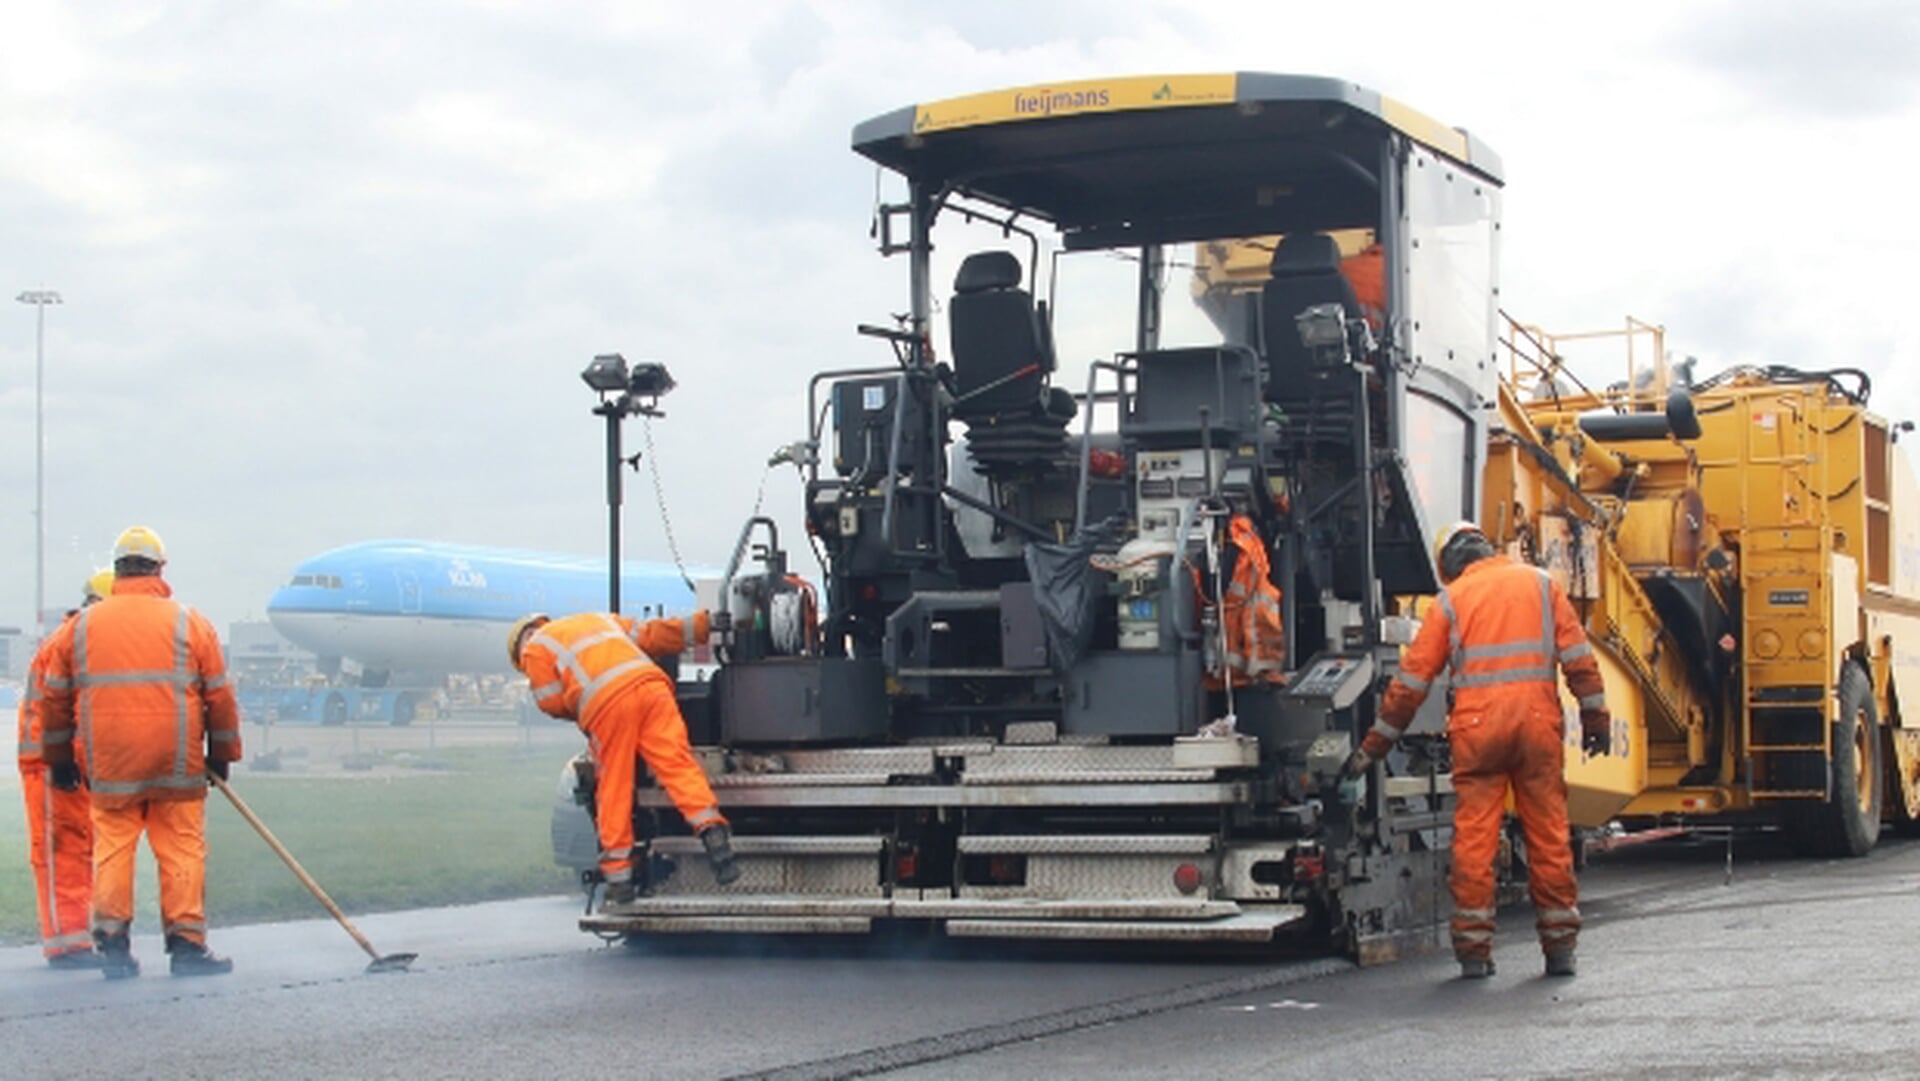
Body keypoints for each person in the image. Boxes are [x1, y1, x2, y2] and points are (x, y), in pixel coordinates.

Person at [1341, 521, 1610, 979]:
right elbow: (1579, 659)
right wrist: (1595, 721)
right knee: (1548, 835)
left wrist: (1374, 747)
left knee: (1474, 839)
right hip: (1537, 728)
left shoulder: (1452, 600)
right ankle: (1560, 948)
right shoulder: (1542, 586)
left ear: (1449, 564)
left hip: (1477, 733)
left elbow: (1411, 683)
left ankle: (1473, 952)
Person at [40, 526, 242, 979]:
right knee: (181, 851)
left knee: (113, 849)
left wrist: (59, 758)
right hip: (177, 763)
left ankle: (112, 943)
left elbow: (54, 698)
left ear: (117, 570)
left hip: (112, 764)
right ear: (160, 568)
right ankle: (187, 947)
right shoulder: (190, 622)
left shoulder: (81, 627)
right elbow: (220, 697)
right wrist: (222, 755)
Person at [509, 608, 738, 906]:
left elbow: (550, 702)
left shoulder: (535, 649)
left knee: (614, 785)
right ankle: (713, 832)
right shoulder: (595, 620)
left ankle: (620, 879)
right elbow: (654, 634)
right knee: (677, 764)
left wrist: (582, 706)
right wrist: (703, 625)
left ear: (521, 643)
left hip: (608, 705)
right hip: (652, 688)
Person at [16, 570, 114, 968]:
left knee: (81, 852)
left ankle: (75, 937)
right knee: (62, 855)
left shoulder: (82, 639)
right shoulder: (73, 642)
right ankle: (65, 943)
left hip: (69, 764)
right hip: (53, 765)